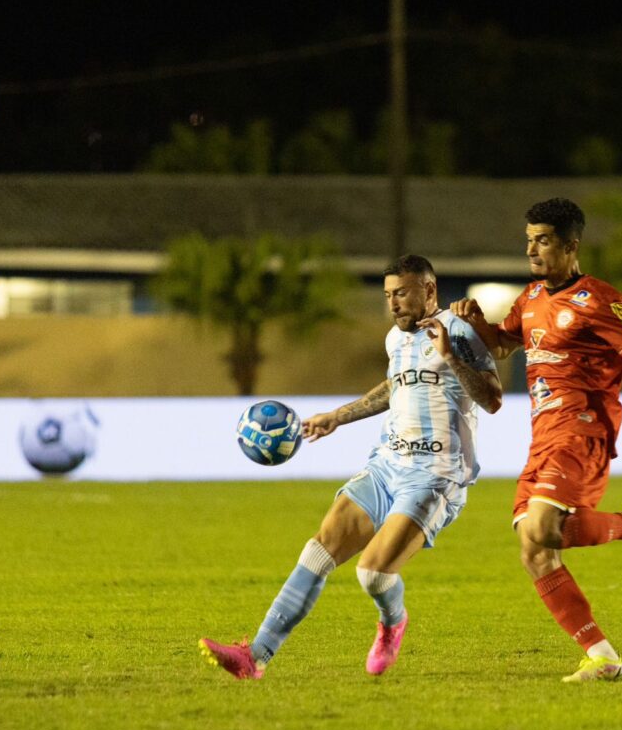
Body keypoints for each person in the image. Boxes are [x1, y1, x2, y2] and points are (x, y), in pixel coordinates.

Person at [200, 255, 502, 679]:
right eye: (387, 295)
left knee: (374, 575)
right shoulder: (395, 340)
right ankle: (256, 656)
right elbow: (395, 386)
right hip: (387, 465)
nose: (393, 304)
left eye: (401, 293)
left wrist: (451, 356)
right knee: (319, 549)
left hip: (435, 476)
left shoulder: (459, 332)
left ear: (429, 290)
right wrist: (338, 416)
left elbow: (492, 398)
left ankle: (393, 622)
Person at [450, 197, 622, 683]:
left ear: (571, 246)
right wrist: (472, 323)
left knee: (544, 528)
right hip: (543, 435)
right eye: (528, 240)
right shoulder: (529, 299)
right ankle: (603, 657)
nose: (532, 250)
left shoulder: (600, 299)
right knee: (534, 549)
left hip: (582, 430)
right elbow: (505, 343)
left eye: (543, 241)